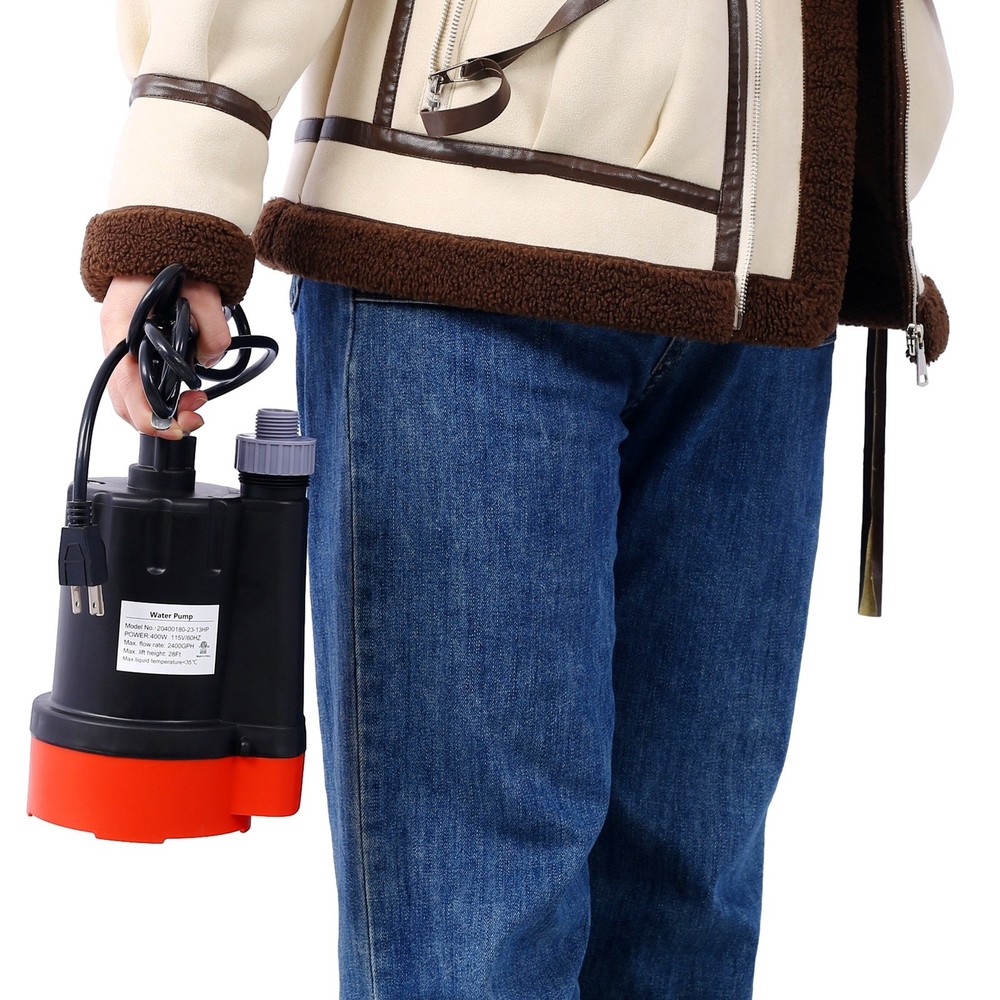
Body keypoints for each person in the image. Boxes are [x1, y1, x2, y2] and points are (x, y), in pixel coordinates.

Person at [86, 2, 952, 997]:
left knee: (690, 903)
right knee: (476, 922)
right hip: (465, 229)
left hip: (772, 276)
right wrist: (179, 181)